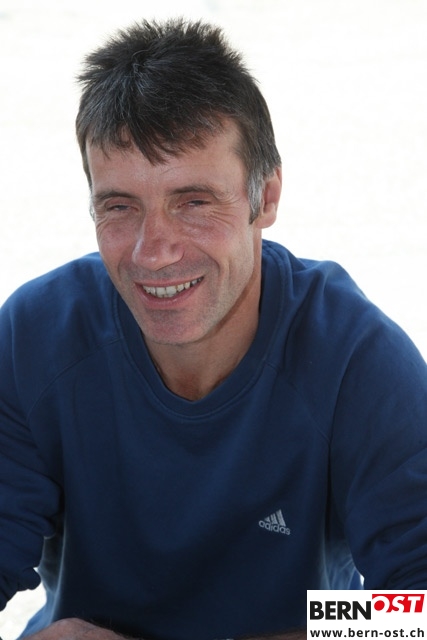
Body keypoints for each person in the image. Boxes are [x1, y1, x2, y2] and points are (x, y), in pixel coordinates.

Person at [0, 17, 426, 640]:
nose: (154, 251)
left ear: (266, 197)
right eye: (119, 207)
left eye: (194, 202)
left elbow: (416, 607)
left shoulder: (357, 359)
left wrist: (317, 630)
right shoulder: (32, 338)